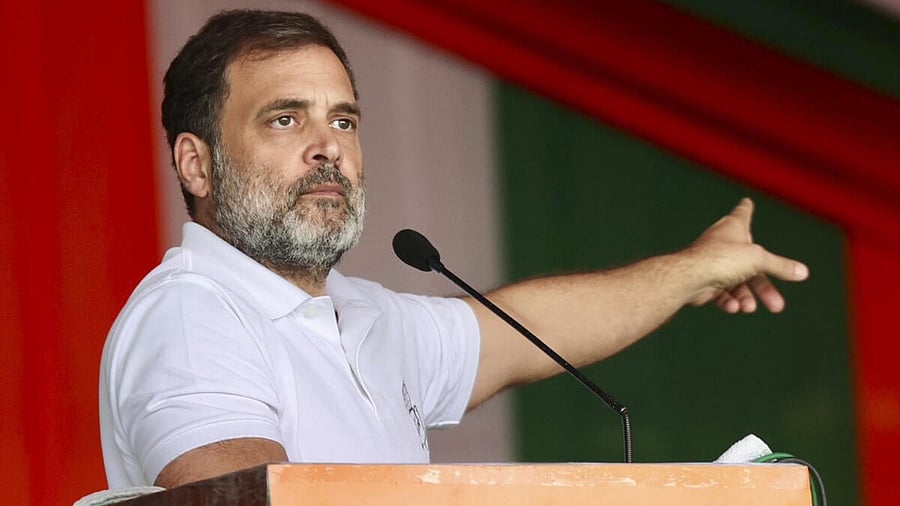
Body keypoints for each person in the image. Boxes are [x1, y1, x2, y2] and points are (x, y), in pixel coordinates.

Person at [99, 9, 809, 490]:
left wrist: (697, 270)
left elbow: (525, 334)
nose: (329, 148)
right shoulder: (193, 318)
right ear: (197, 165)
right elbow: (249, 502)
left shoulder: (360, 314)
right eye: (285, 119)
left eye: (343, 119)